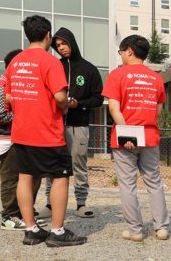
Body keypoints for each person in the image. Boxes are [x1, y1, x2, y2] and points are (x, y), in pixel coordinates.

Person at [6, 14, 86, 247]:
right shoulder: (50, 62)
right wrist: (63, 105)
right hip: (47, 132)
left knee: (25, 176)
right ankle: (58, 232)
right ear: (48, 36)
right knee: (60, 177)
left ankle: (31, 229)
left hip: (21, 131)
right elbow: (60, 96)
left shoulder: (16, 62)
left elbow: (10, 96)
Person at [103, 34, 170, 242]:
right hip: (149, 136)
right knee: (154, 182)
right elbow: (158, 110)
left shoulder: (117, 75)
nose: (121, 55)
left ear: (129, 51)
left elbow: (114, 108)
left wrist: (127, 132)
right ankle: (161, 228)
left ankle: (135, 230)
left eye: (121, 51)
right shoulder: (156, 77)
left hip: (125, 137)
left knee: (127, 184)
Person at [40, 27, 102, 220]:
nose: (61, 48)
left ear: (72, 42)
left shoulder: (88, 69)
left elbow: (98, 99)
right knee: (53, 165)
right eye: (57, 45)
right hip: (55, 126)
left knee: (79, 164)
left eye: (64, 43)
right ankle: (50, 205)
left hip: (79, 126)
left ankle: (81, 204)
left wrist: (78, 104)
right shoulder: (53, 66)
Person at [0, 48, 39, 230]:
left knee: (29, 176)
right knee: (11, 177)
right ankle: (9, 216)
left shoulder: (13, 84)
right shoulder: (0, 86)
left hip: (21, 135)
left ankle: (24, 213)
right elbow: (0, 115)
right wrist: (26, 115)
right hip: (5, 138)